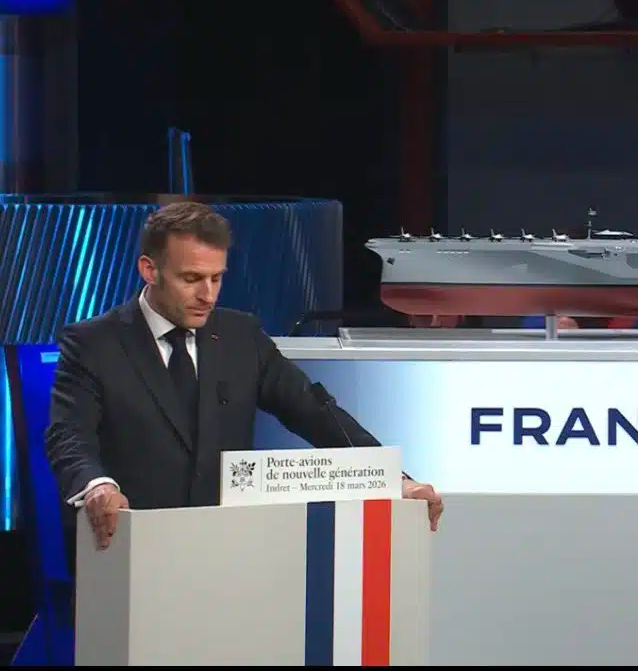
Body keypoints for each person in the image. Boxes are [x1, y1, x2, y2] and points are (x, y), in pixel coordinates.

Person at [44, 201, 444, 554]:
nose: (208, 295)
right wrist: (98, 485)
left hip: (226, 551)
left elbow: (315, 412)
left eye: (217, 278)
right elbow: (69, 436)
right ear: (149, 270)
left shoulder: (241, 336)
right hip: (127, 547)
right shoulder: (93, 343)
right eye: (191, 279)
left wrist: (393, 479)